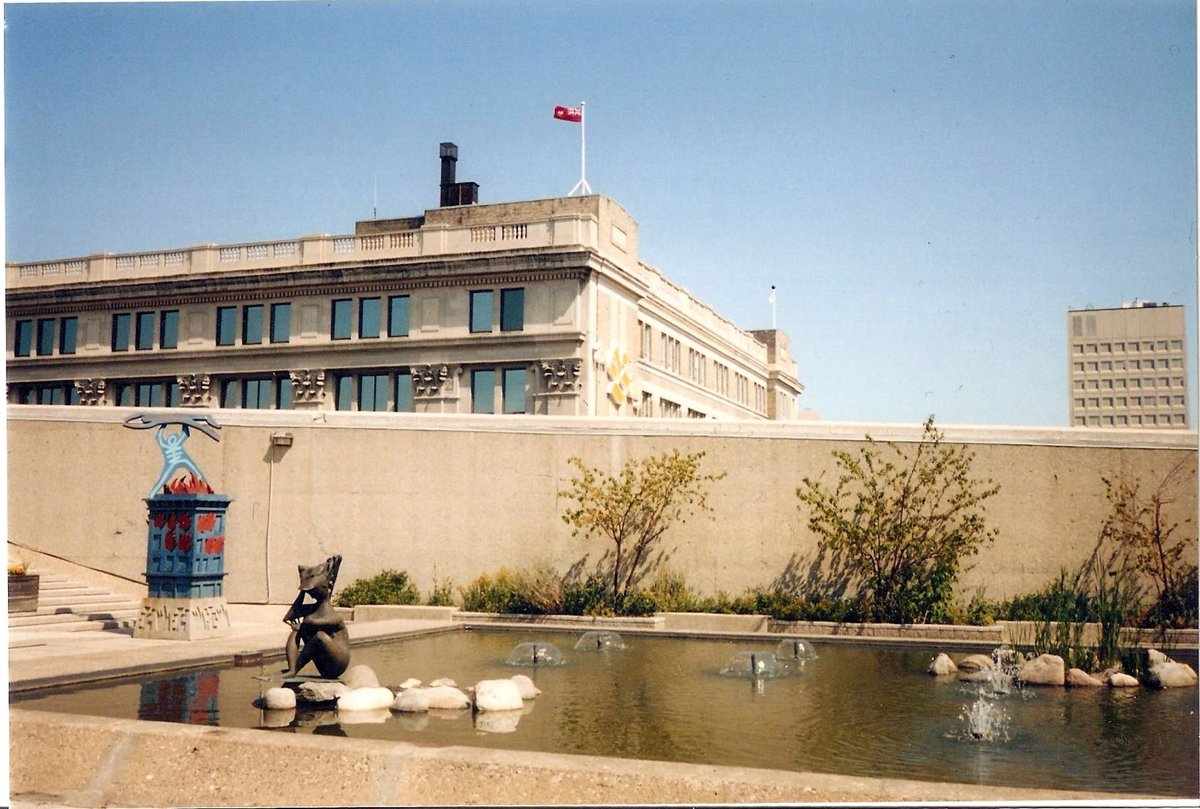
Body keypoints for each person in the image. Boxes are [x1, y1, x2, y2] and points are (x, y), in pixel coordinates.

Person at [281, 555, 350, 679]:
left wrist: (301, 626)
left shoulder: (335, 616)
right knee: (297, 632)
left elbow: (310, 622)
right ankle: (292, 669)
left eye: (313, 591)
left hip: (338, 663)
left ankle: (295, 669)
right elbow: (289, 616)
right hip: (324, 666)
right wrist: (302, 591)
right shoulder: (313, 608)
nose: (312, 595)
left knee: (319, 636)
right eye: (310, 592)